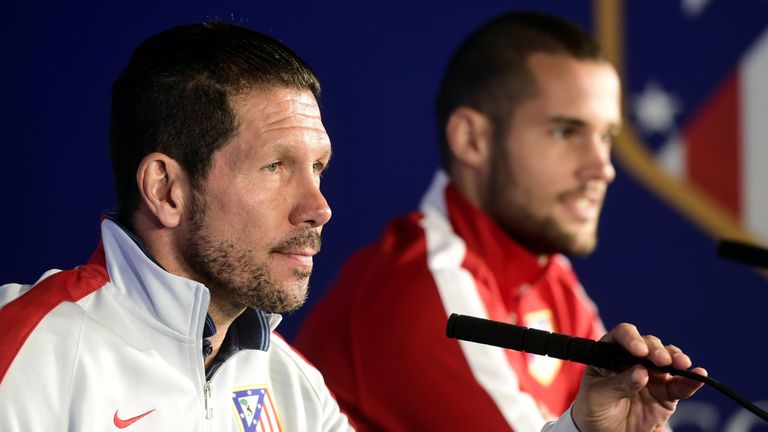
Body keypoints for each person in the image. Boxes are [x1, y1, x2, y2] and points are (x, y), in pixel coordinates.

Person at [0, 20, 703, 432]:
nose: (319, 208)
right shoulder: (29, 352)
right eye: (277, 167)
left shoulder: (291, 383)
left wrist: (585, 430)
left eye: (320, 168)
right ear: (166, 189)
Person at [295, 11, 667, 431]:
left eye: (605, 137)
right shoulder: (425, 295)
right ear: (472, 139)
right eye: (566, 132)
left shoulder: (547, 270)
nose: (603, 168)